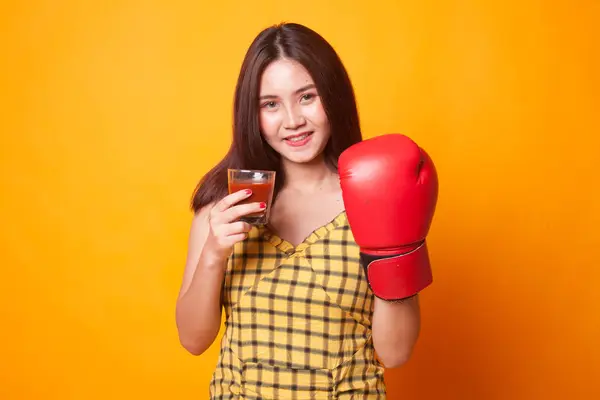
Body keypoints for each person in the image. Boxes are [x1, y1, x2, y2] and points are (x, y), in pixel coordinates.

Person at [175, 22, 433, 399]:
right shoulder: (227, 205)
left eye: (307, 97)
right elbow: (193, 340)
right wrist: (214, 253)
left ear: (333, 96)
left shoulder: (374, 198)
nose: (293, 120)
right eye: (271, 104)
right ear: (253, 113)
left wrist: (395, 246)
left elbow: (394, 353)